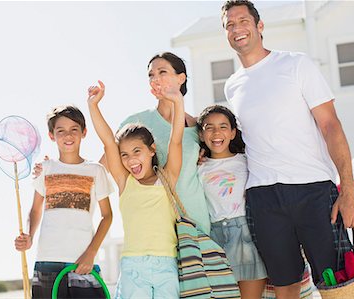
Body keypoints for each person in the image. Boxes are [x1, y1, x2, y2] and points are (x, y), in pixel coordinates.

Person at [221, 1, 354, 298]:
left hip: (313, 190)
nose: (236, 29)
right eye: (229, 25)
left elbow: (331, 126)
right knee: (284, 286)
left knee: (337, 283)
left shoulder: (296, 64)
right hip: (263, 197)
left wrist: (348, 190)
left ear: (259, 26)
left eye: (243, 21)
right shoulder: (232, 86)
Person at [87, 80, 184, 298]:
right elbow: (108, 142)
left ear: (151, 150)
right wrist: (93, 106)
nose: (131, 160)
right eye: (125, 155)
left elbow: (176, 141)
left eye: (137, 151)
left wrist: (178, 102)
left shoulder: (167, 178)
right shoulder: (124, 181)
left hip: (166, 265)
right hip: (133, 267)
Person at [14, 105, 113, 299]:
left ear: (84, 132)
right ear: (52, 135)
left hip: (83, 262)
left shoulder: (96, 170)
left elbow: (107, 216)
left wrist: (91, 253)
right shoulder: (45, 168)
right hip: (47, 261)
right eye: (61, 131)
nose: (68, 135)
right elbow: (35, 210)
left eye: (74, 129)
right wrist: (29, 236)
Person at [117, 52, 211, 234]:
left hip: (195, 218)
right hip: (157, 222)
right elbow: (109, 163)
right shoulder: (135, 122)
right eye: (151, 75)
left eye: (162, 72)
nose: (155, 79)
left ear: (181, 78)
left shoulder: (199, 127)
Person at [197, 105, 267, 299]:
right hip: (215, 238)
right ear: (201, 135)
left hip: (246, 235)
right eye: (209, 127)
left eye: (223, 126)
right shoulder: (198, 167)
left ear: (233, 132)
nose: (216, 132)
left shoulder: (247, 160)